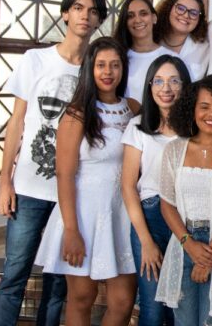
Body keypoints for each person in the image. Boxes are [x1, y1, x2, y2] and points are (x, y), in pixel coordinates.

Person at [0, 0, 107, 326]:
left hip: (70, 194)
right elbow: (16, 123)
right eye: (78, 8)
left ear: (99, 20)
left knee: (57, 283)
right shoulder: (36, 59)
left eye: (93, 11)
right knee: (14, 274)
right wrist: (5, 181)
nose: (85, 16)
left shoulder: (96, 69)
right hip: (29, 188)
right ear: (66, 13)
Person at [35, 37, 138, 325]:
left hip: (122, 213)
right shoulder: (76, 112)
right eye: (101, 65)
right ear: (90, 69)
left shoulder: (133, 108)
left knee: (123, 301)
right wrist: (71, 230)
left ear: (123, 69)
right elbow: (64, 174)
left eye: (115, 65)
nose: (108, 72)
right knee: (82, 296)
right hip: (82, 214)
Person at [155, 74, 212, 325]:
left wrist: (208, 257)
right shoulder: (174, 149)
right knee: (184, 321)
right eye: (204, 106)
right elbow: (167, 204)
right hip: (182, 241)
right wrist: (189, 244)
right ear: (192, 109)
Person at [121, 55, 191, 326]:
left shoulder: (195, 127)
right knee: (152, 309)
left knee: (179, 306)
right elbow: (128, 186)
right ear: (150, 86)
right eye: (159, 81)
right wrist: (146, 242)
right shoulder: (138, 126)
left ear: (185, 85)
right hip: (150, 218)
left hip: (186, 219)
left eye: (174, 81)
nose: (166, 88)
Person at [114, 0, 174, 104]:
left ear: (154, 18)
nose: (137, 20)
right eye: (130, 16)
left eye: (143, 13)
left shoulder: (171, 58)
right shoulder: (118, 57)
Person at [156, 0, 209, 81]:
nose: (186, 15)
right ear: (169, 8)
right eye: (180, 8)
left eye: (193, 13)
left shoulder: (206, 44)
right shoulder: (152, 39)